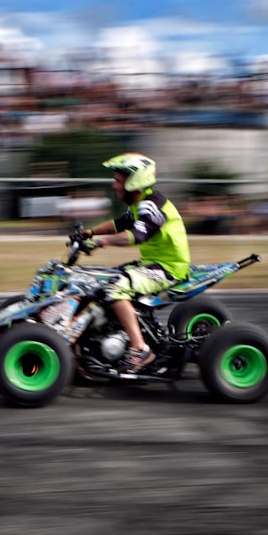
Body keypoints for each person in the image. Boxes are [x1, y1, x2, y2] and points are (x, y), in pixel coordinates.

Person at [72, 153, 191, 373]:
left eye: (118, 180)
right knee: (97, 281)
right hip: (151, 263)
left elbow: (137, 235)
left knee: (115, 289)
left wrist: (101, 243)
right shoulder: (139, 203)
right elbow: (120, 223)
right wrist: (88, 233)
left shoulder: (152, 206)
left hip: (167, 268)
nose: (114, 185)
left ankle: (140, 349)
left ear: (133, 183)